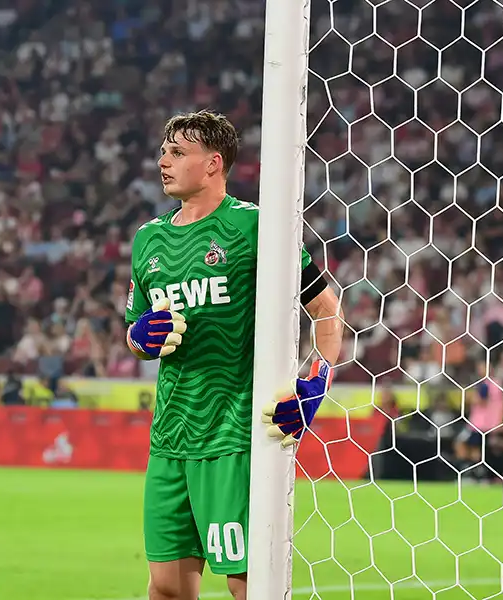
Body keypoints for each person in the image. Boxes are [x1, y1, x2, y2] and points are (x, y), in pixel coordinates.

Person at [124, 111, 344, 600]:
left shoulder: (256, 227)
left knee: (250, 587)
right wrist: (141, 337)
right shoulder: (148, 240)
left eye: (178, 152)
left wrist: (315, 385)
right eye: (163, 151)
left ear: (213, 164)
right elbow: (134, 336)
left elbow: (327, 311)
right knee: (165, 588)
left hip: (233, 436)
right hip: (170, 438)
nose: (163, 161)